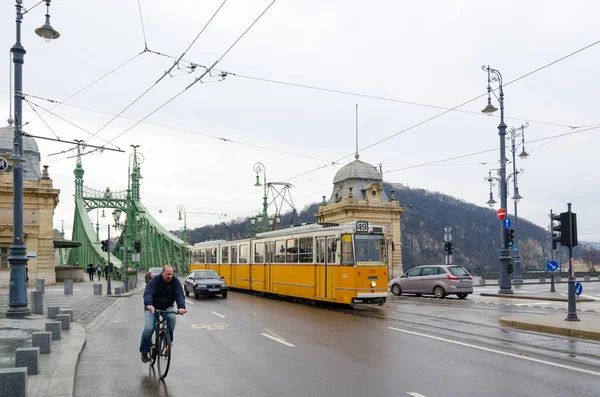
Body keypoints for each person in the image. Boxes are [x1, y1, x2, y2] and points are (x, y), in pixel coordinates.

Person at [139, 265, 186, 363]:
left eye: (171, 274)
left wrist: (181, 307)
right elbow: (148, 292)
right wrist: (149, 304)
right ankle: (144, 351)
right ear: (162, 273)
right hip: (152, 307)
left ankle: (167, 342)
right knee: (148, 329)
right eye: (167, 274)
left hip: (167, 306)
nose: (170, 276)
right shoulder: (155, 280)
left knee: (172, 318)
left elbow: (179, 294)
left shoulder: (175, 281)